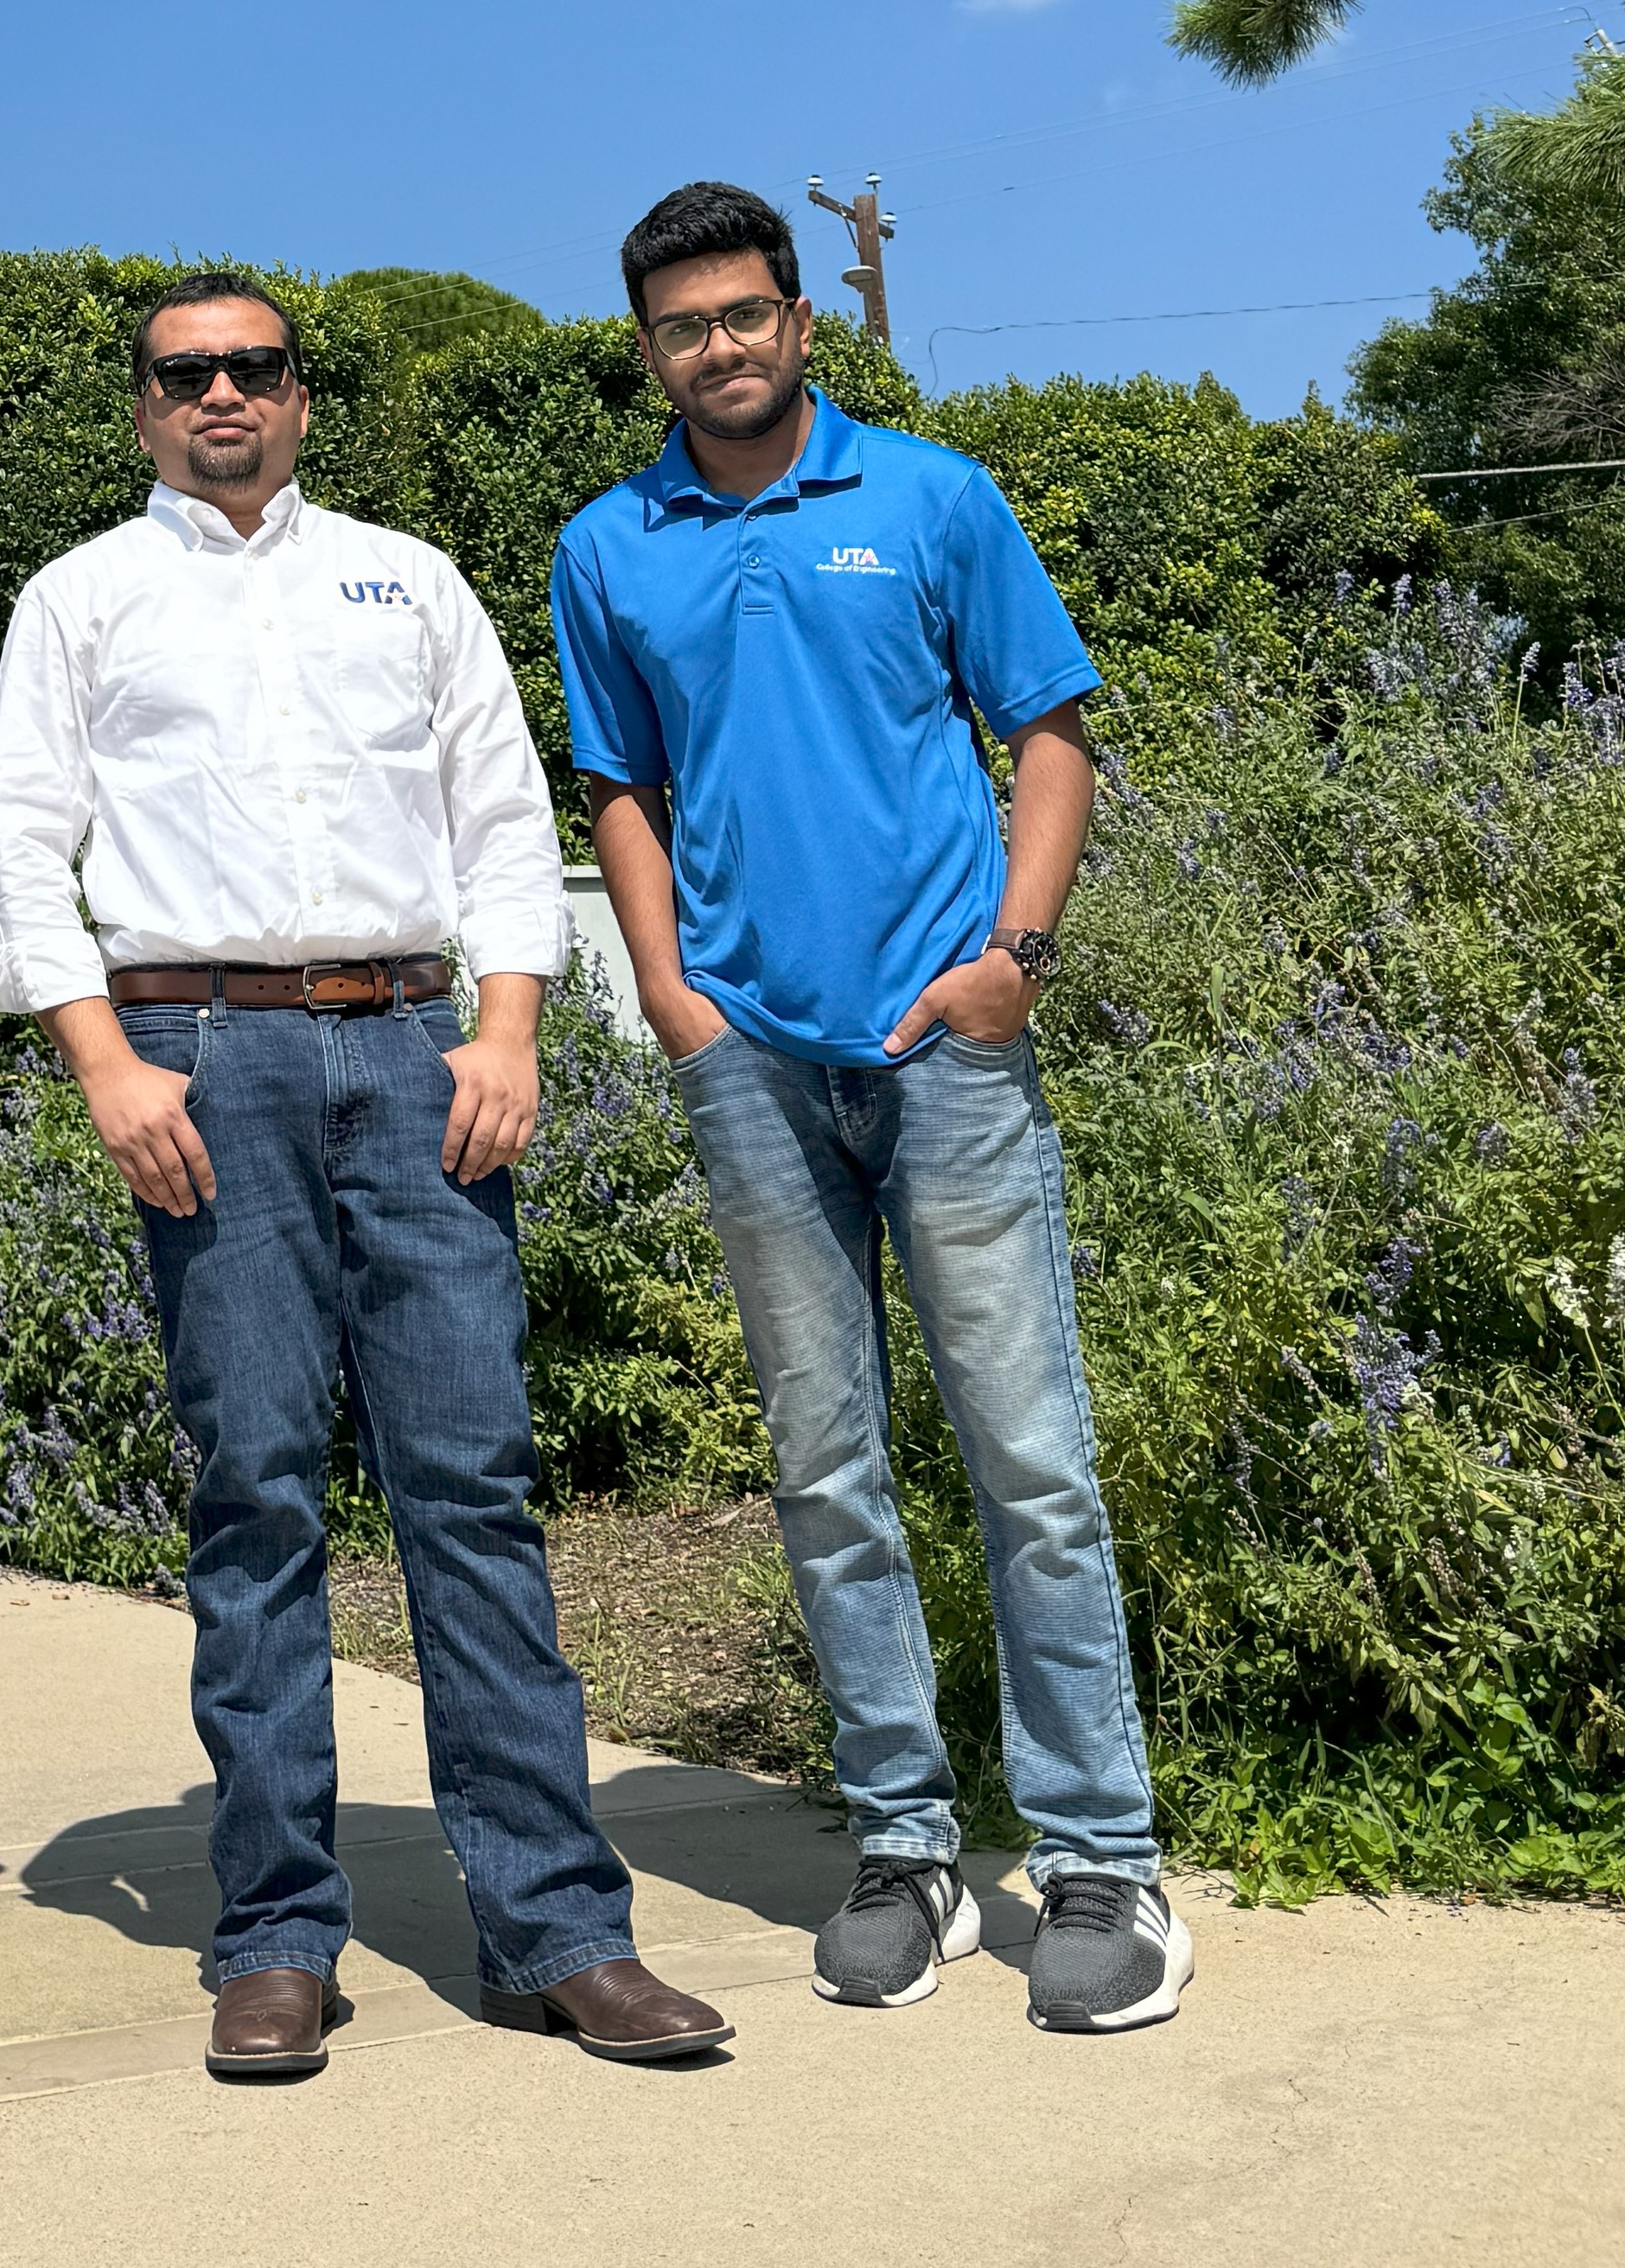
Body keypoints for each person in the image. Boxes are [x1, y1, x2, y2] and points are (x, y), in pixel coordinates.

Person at [0, 276, 730, 2083]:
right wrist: (105, 1069)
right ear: (143, 407)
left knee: (471, 1483)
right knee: (254, 1497)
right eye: (185, 372)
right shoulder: (81, 598)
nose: (222, 392)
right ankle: (276, 1934)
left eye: (255, 367)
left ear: (302, 399)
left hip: (414, 1062)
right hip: (203, 1066)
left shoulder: (407, 578)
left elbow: (497, 818)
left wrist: (513, 1030)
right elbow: (19, 847)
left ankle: (560, 1926)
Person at [550, 182, 1191, 2037]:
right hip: (750, 1059)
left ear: (801, 321)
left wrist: (1018, 957)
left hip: (947, 1047)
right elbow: (619, 785)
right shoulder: (612, 544)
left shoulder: (927, 496)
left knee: (1030, 1461)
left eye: (748, 315)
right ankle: (909, 1845)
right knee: (828, 1474)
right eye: (685, 327)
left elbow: (1052, 729)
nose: (721, 347)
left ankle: (1099, 1859)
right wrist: (672, 999)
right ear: (651, 346)